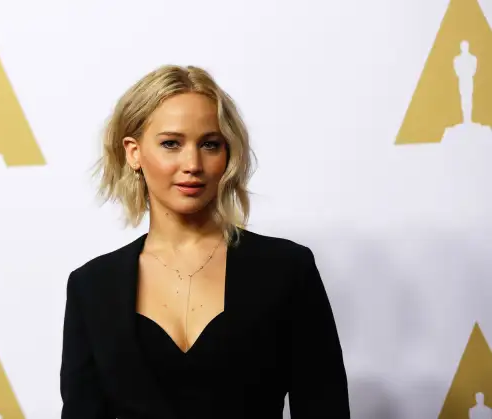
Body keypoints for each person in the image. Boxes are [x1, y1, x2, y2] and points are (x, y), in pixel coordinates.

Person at [60, 64, 350, 419]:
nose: (193, 163)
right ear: (134, 153)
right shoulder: (92, 285)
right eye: (171, 144)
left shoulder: (287, 269)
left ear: (227, 154)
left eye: (210, 144)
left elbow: (324, 406)